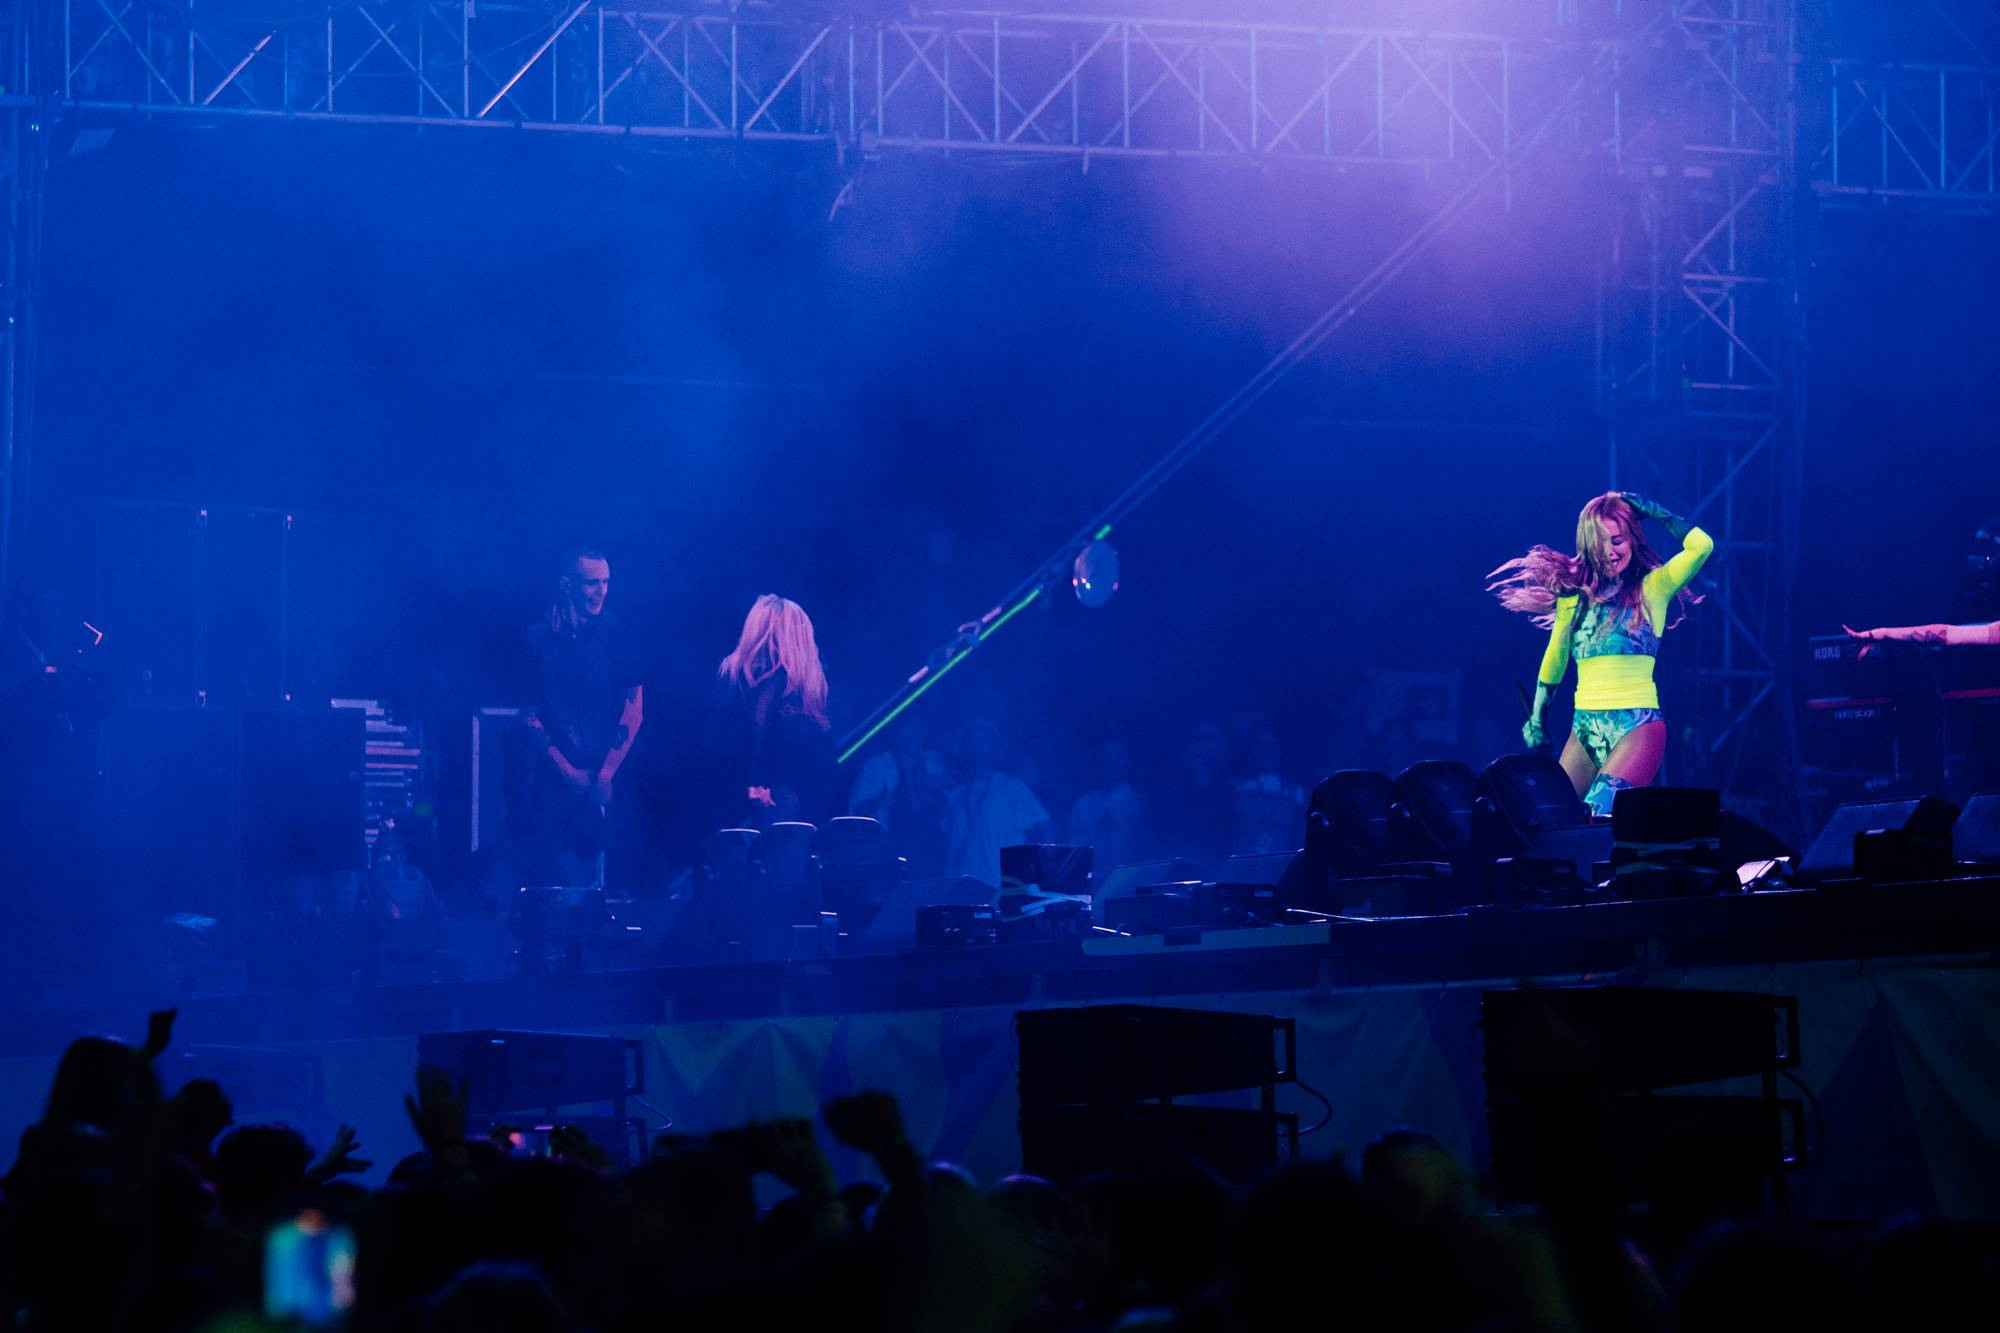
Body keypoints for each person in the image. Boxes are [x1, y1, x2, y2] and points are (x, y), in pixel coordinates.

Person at [1490, 492, 1713, 817]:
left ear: (1633, 541)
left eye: (1619, 540)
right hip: (1585, 729)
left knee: (1597, 816)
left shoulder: (1654, 587)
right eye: (1601, 542)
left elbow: (1702, 546)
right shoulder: (1573, 599)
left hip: (1637, 727)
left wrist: (1652, 510)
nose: (1610, 551)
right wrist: (1537, 718)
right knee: (1553, 821)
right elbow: (1555, 658)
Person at [518, 548, 643, 885]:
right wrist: (568, 772)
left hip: (608, 773)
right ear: (566, 585)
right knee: (547, 872)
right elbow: (528, 716)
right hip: (555, 775)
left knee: (611, 871)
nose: (601, 591)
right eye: (591, 583)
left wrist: (606, 773)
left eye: (605, 582)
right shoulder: (536, 639)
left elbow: (634, 708)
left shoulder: (617, 634)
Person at [705, 594, 835, 831]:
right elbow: (758, 726)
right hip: (772, 795)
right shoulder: (782, 681)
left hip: (738, 790)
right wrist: (754, 783)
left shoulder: (737, 676)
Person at [942, 718, 1050, 886]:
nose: (977, 746)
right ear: (962, 748)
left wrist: (1036, 875)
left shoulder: (1011, 787)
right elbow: (947, 841)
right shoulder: (955, 795)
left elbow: (1045, 828)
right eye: (972, 740)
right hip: (959, 887)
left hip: (1000, 888)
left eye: (984, 740)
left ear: (995, 748)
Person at [847, 712, 950, 875]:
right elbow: (857, 810)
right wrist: (878, 803)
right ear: (900, 730)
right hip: (891, 847)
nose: (916, 732)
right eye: (911, 726)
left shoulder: (936, 763)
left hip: (930, 848)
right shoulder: (878, 765)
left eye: (921, 727)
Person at [1069, 738, 1146, 872]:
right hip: (1092, 881)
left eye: (1120, 756)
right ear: (1100, 762)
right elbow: (1075, 849)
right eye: (1108, 757)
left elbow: (1147, 850)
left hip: (1131, 878)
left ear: (1129, 761)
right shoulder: (1083, 803)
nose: (1113, 763)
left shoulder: (1141, 803)